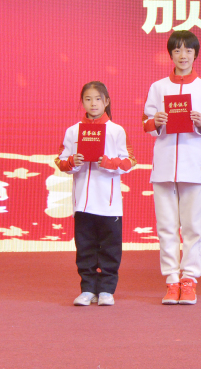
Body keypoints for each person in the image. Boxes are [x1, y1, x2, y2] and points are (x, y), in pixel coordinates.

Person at [143, 30, 201, 305]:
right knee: (166, 227)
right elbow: (146, 123)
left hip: (193, 166)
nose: (183, 55)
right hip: (164, 166)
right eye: (177, 50)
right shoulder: (158, 87)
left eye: (188, 50)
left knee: (192, 228)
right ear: (171, 54)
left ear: (195, 54)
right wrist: (157, 121)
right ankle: (171, 280)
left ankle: (189, 280)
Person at [55, 81, 136, 307]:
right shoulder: (73, 131)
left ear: (106, 101)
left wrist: (109, 163)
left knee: (110, 248)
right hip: (82, 202)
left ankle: (107, 290)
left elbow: (130, 161)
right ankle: (88, 289)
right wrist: (73, 161)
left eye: (98, 99)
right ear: (82, 102)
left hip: (109, 204)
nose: (93, 104)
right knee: (85, 248)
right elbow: (60, 161)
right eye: (88, 99)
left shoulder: (116, 130)